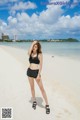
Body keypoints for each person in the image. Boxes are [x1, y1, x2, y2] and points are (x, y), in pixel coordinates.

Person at [26, 40, 50, 114]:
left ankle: (47, 105)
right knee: (32, 88)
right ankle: (34, 101)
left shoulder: (39, 54)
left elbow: (41, 65)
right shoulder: (30, 53)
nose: (34, 47)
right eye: (33, 46)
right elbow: (28, 51)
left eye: (36, 46)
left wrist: (39, 74)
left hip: (36, 73)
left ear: (38, 47)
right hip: (29, 72)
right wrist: (33, 42)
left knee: (42, 89)